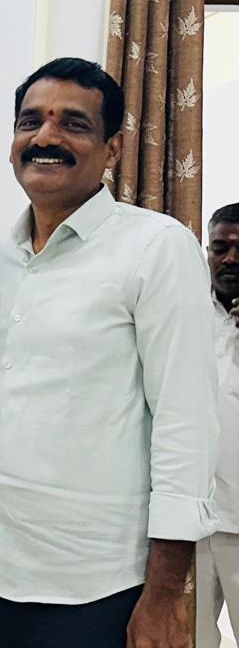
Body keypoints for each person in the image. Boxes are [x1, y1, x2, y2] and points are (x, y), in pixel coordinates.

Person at [0, 57, 217, 648]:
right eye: (31, 121)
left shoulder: (155, 247)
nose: (46, 137)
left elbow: (186, 425)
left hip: (94, 588)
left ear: (112, 149)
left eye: (73, 123)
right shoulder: (7, 253)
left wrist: (165, 596)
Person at [200, 203, 239, 648]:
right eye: (220, 248)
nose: (230, 259)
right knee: (188, 638)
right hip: (189, 520)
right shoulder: (186, 313)